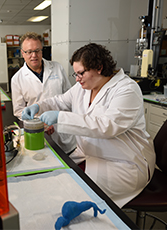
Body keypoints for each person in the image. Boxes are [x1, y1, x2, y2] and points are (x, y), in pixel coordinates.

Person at [21, 43, 156, 208]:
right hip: (89, 153)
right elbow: (60, 101)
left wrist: (60, 118)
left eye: (80, 73)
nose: (77, 79)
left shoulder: (126, 89)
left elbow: (106, 126)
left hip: (124, 162)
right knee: (57, 179)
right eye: (75, 74)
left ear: (99, 68)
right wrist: (38, 106)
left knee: (79, 195)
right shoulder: (83, 87)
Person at [11, 32, 76, 156]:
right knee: (45, 161)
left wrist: (59, 117)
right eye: (29, 52)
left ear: (42, 51)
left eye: (37, 50)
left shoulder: (57, 68)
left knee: (69, 161)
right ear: (22, 53)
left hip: (63, 129)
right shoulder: (17, 79)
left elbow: (69, 97)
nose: (34, 55)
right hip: (38, 132)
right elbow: (19, 111)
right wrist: (40, 122)